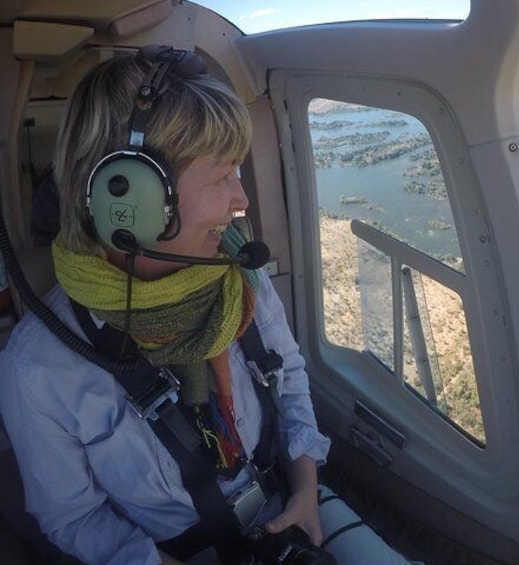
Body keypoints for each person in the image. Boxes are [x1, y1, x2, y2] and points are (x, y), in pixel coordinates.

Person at [0, 46, 412, 565]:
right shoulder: (39, 366)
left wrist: (306, 487)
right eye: (221, 177)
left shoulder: (241, 277)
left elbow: (289, 377)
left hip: (296, 506)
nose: (241, 200)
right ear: (128, 196)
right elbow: (74, 517)